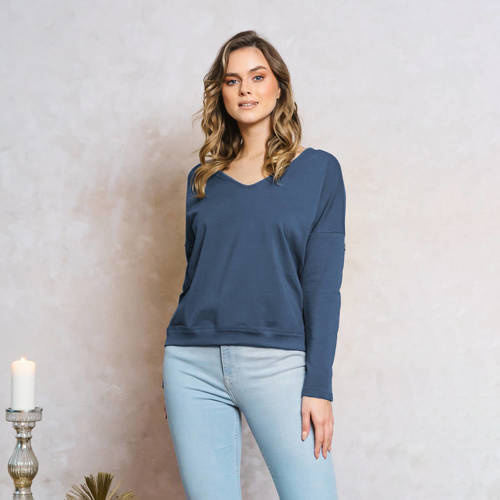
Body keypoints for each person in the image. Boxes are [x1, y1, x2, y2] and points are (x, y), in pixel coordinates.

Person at [162, 30, 346, 500]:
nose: (245, 89)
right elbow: (198, 275)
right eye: (232, 80)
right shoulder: (202, 180)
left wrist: (319, 385)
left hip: (278, 365)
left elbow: (323, 288)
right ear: (221, 93)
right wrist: (176, 365)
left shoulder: (319, 171)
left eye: (257, 76)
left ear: (278, 86)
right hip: (191, 365)